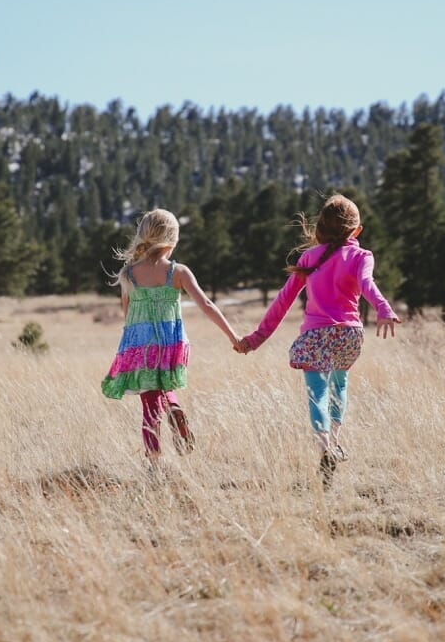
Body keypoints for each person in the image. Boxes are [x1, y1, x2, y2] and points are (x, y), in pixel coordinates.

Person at [235, 194, 399, 487]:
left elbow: (283, 300)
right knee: (340, 385)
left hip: (315, 336)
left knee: (317, 394)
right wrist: (383, 308)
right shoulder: (362, 256)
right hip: (349, 334)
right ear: (356, 231)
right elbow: (367, 284)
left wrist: (256, 338)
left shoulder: (309, 258)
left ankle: (324, 447)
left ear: (320, 228)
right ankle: (335, 441)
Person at [102, 208, 241, 463]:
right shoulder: (178, 272)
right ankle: (174, 407)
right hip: (171, 343)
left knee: (149, 406)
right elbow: (207, 304)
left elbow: (128, 314)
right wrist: (234, 337)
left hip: (141, 344)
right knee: (164, 384)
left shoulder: (129, 274)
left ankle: (153, 462)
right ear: (172, 240)